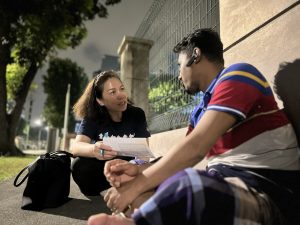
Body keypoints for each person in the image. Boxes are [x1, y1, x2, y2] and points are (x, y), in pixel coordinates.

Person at [87, 29, 300, 225]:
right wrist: (139, 171)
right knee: (149, 192)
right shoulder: (200, 110)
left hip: (269, 195)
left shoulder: (239, 75)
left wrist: (134, 186)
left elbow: (195, 149)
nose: (179, 75)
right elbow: (181, 158)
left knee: (188, 186)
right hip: (228, 187)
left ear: (195, 54)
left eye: (179, 65)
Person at [70, 70, 150, 196]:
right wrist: (94, 149)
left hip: (129, 167)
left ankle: (123, 186)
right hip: (104, 167)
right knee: (79, 166)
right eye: (113, 92)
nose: (121, 95)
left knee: (154, 167)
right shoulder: (93, 117)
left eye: (122, 89)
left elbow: (144, 154)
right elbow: (75, 147)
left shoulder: (137, 114)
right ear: (100, 100)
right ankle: (110, 189)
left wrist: (134, 167)